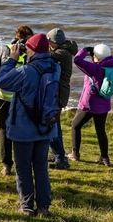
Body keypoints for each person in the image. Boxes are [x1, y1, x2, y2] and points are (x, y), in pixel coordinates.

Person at [0, 33, 59, 218]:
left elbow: (2, 81)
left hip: (24, 127)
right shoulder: (56, 68)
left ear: (32, 50)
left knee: (23, 168)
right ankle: (44, 207)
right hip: (46, 126)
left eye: (28, 47)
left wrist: (12, 60)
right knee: (41, 167)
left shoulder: (26, 71)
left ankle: (27, 206)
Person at [0, 25, 34, 176]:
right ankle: (22, 163)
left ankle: (6, 165)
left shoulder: (6, 48)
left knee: (4, 129)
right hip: (21, 96)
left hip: (4, 95)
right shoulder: (30, 51)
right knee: (22, 128)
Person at [67, 44, 113, 167]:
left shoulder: (95, 69)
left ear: (97, 57)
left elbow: (77, 60)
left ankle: (75, 154)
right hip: (104, 105)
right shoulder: (112, 67)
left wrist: (85, 51)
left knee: (75, 126)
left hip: (89, 105)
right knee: (100, 131)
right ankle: (105, 158)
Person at [46, 28, 78, 170]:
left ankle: (61, 159)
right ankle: (59, 154)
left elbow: (44, 57)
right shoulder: (63, 50)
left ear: (54, 42)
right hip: (59, 93)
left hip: (57, 94)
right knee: (56, 126)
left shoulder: (61, 54)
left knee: (51, 125)